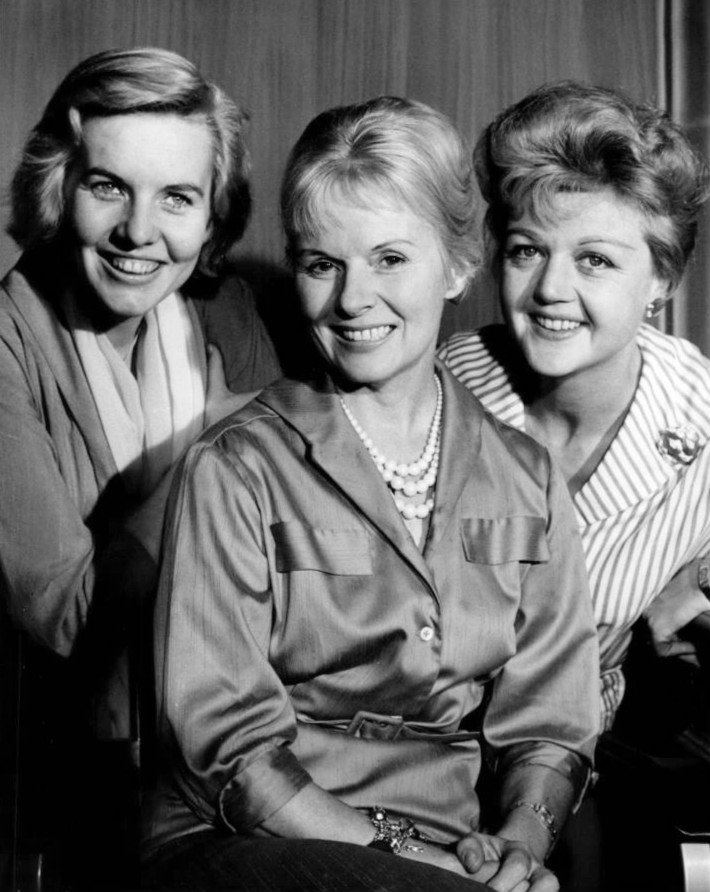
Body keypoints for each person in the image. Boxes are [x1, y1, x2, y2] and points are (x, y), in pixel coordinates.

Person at [141, 96, 599, 892]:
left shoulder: (527, 475)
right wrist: (411, 858)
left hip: (451, 857)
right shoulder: (237, 465)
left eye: (390, 259)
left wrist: (521, 847)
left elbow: (550, 728)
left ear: (459, 264)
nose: (353, 301)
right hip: (239, 841)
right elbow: (231, 751)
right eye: (324, 264)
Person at [0, 47, 280, 885]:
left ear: (211, 212)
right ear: (60, 186)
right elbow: (70, 616)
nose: (139, 233)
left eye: (178, 199)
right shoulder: (9, 343)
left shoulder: (224, 310)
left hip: (235, 759)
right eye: (108, 186)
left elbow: (300, 549)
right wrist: (226, 450)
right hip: (57, 798)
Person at [437, 81, 710, 890]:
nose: (551, 290)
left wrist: (692, 588)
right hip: (423, 746)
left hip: (587, 752)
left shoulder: (704, 419)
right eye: (527, 251)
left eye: (595, 259)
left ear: (660, 277)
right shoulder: (439, 386)